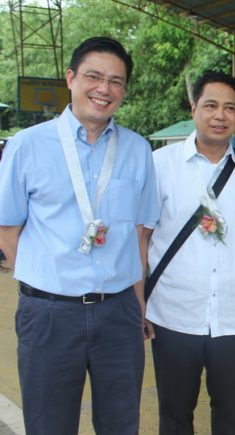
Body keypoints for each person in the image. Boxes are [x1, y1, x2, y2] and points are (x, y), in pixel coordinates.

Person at [0, 36, 157, 434]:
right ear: (70, 78)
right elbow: (7, 229)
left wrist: (137, 308)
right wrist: (47, 282)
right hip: (50, 315)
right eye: (94, 76)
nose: (104, 89)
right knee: (49, 425)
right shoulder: (27, 146)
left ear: (124, 90)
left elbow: (140, 236)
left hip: (119, 313)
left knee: (121, 424)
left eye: (116, 81)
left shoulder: (138, 150)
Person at [140, 71, 235, 434]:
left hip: (234, 315)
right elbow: (142, 237)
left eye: (229, 108)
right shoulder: (159, 164)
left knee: (230, 411)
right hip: (172, 313)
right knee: (174, 412)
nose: (220, 115)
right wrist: (138, 301)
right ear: (194, 108)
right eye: (211, 106)